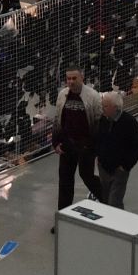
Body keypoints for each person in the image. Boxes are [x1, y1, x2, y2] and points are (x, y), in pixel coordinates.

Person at [49, 68, 103, 223]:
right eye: (68, 79)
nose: (71, 82)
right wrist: (56, 142)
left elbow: (99, 122)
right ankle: (62, 219)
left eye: (74, 78)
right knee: (65, 182)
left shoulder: (92, 96)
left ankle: (110, 204)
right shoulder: (62, 95)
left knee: (87, 176)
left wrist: (94, 147)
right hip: (67, 145)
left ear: (82, 77)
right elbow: (58, 120)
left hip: (86, 145)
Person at [94, 91, 138, 209]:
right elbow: (98, 138)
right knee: (105, 200)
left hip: (119, 171)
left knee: (114, 202)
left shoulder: (129, 122)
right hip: (104, 168)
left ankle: (117, 225)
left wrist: (125, 166)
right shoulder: (103, 120)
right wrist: (98, 156)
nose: (102, 108)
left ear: (115, 108)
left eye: (105, 106)